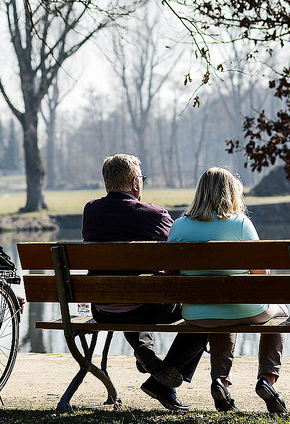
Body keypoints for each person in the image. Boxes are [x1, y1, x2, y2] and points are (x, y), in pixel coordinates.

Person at [81, 153, 207, 411]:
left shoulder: (91, 211)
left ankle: (143, 349)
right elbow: (179, 253)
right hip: (145, 305)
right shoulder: (154, 215)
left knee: (129, 289)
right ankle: (165, 377)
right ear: (135, 182)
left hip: (102, 307)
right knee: (206, 311)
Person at [167, 166, 288, 413]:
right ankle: (267, 379)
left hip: (196, 315)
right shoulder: (241, 224)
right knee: (283, 313)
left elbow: (170, 276)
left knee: (220, 310)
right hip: (245, 310)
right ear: (231, 192)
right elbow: (261, 275)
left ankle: (220, 381)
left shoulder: (178, 226)